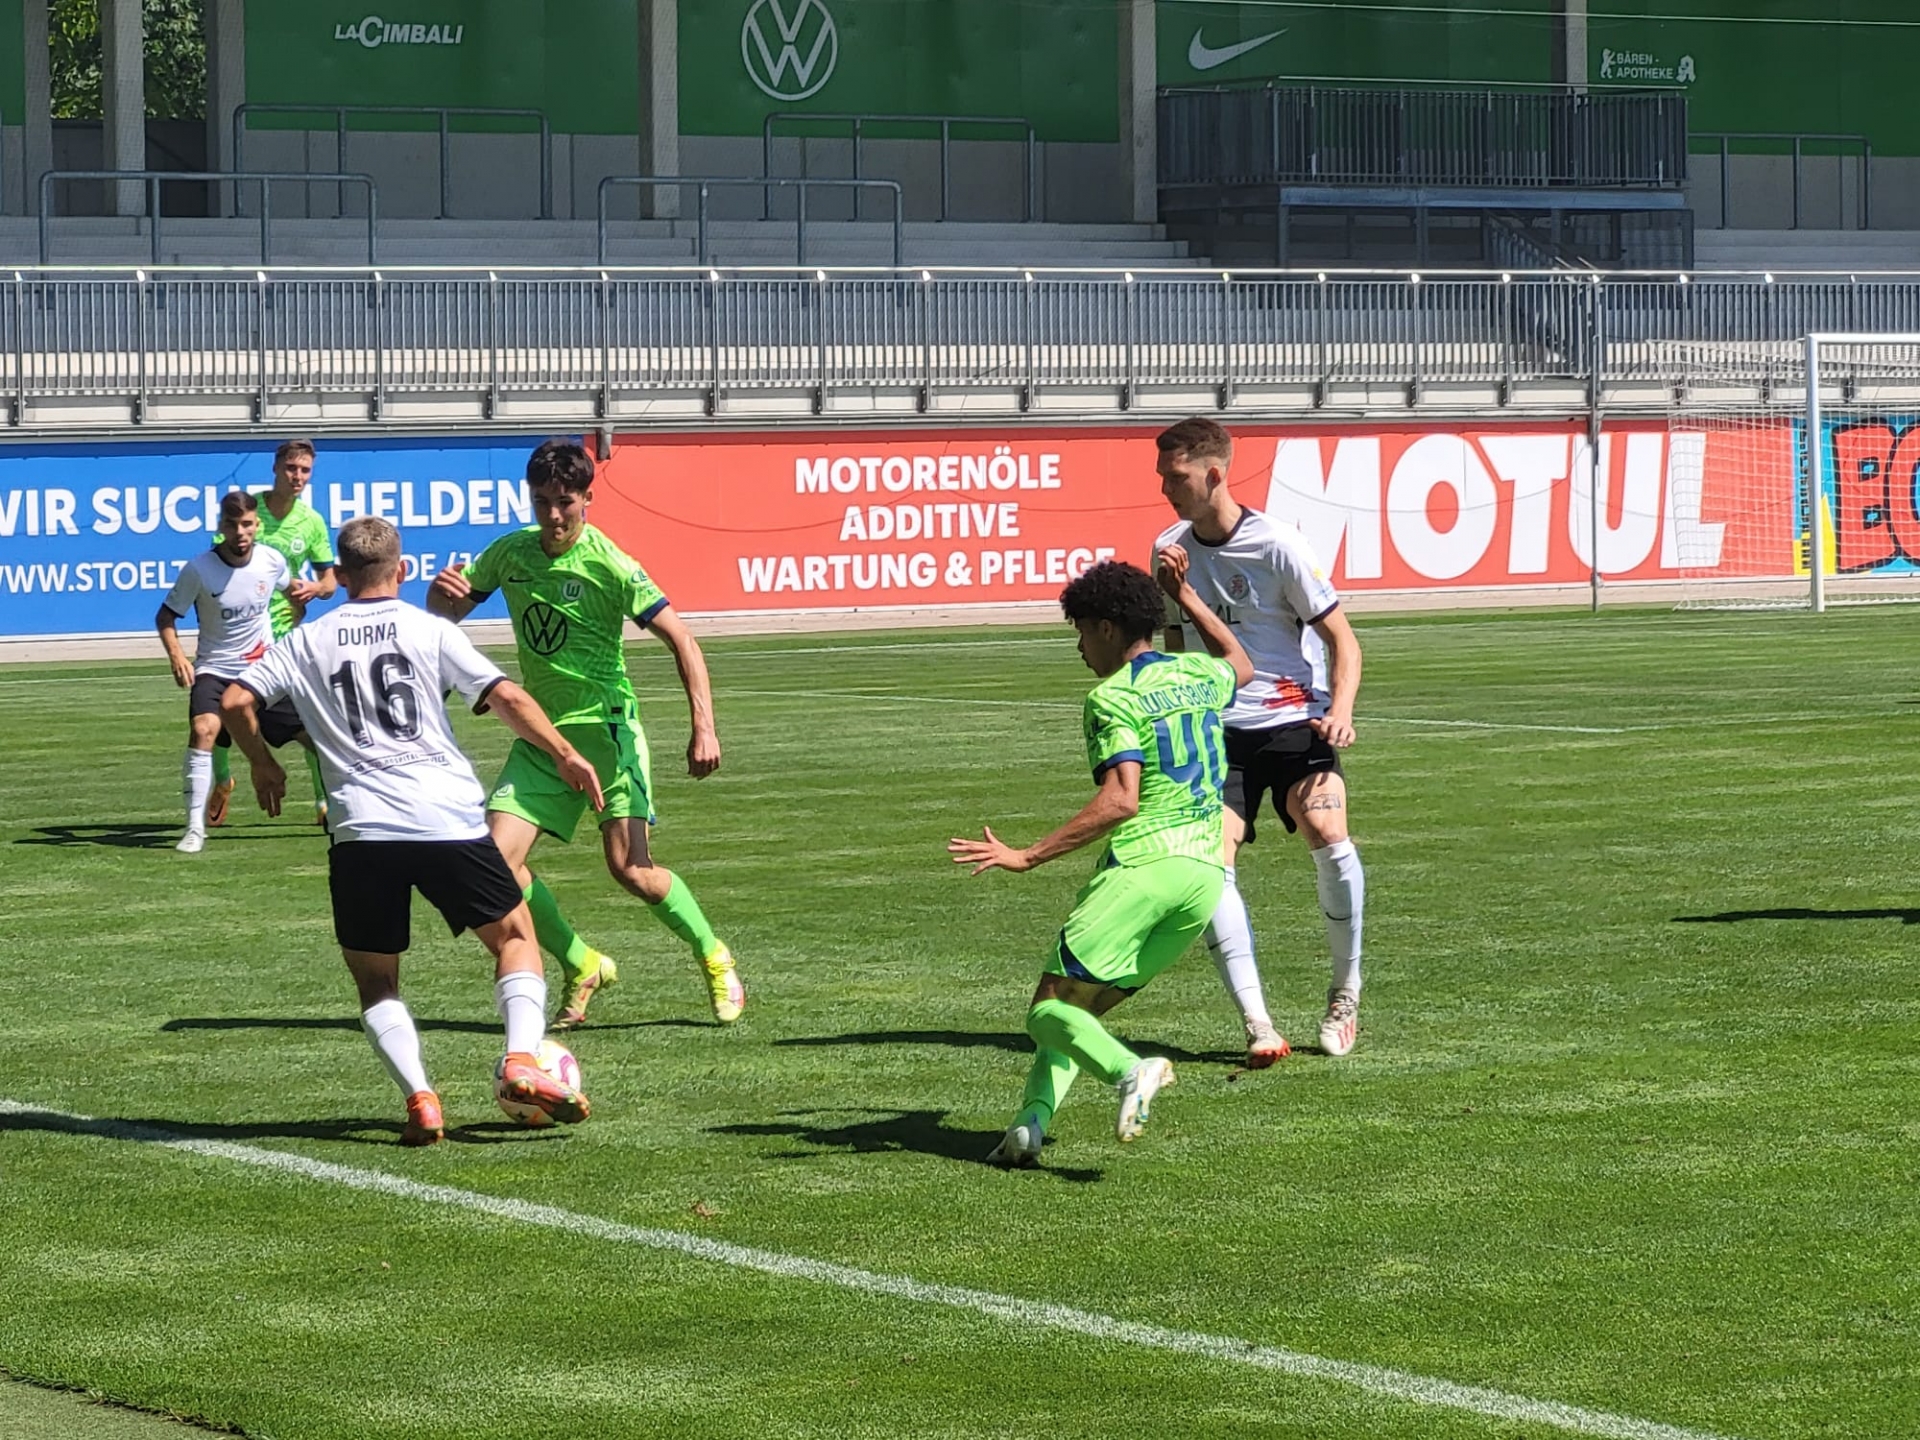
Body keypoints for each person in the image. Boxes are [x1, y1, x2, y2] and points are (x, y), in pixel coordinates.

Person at [220, 516, 602, 1146]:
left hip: (361, 830)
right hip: (445, 817)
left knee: (377, 979)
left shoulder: (306, 642)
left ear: (339, 577)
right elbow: (505, 696)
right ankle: (520, 1058)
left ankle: (421, 1097)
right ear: (402, 571)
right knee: (514, 938)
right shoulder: (430, 629)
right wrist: (563, 753)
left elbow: (235, 701)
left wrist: (264, 763)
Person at [427, 439, 743, 1031]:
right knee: (496, 866)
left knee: (632, 872)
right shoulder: (509, 555)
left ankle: (712, 952)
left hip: (608, 736)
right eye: (542, 501)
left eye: (565, 502)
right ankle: (583, 962)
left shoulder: (610, 564)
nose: (552, 515)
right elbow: (443, 623)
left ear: (587, 499)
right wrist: (438, 601)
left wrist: (704, 725)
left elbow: (684, 640)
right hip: (543, 741)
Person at [950, 559, 1253, 1165]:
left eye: (1083, 632)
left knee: (1048, 1010)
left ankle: (1130, 1070)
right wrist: (1185, 595)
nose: (1081, 648)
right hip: (1203, 879)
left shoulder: (1112, 696)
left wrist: (1026, 856)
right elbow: (1241, 664)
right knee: (1077, 1013)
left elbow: (1121, 799)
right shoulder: (1198, 672)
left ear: (1110, 630)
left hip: (1144, 868)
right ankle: (1030, 1125)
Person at [1152, 417, 1367, 1061]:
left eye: (1176, 476)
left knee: (1328, 832)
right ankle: (1259, 1024)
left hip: (1294, 721)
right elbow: (1174, 645)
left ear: (1214, 474)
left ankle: (1345, 992)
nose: (1165, 487)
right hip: (1218, 732)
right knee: (1213, 866)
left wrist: (1343, 710)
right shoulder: (1168, 546)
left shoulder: (1278, 546)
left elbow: (1343, 640)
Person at [156, 491, 305, 854]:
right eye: (233, 524)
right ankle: (194, 828)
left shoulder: (272, 560)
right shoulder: (199, 570)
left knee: (316, 735)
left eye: (248, 524)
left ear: (257, 525)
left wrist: (299, 612)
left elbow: (294, 591)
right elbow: (166, 616)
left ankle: (341, 809)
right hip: (215, 668)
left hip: (263, 669)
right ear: (221, 526)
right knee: (202, 729)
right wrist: (178, 656)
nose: (241, 532)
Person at [206, 439, 338, 829]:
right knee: (217, 716)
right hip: (239, 635)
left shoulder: (311, 521)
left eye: (305, 470)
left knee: (308, 720)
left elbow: (329, 580)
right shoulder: (249, 510)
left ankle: (322, 801)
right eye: (291, 468)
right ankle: (223, 779)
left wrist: (313, 589)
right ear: (276, 468)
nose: (298, 477)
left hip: (284, 636)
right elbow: (220, 561)